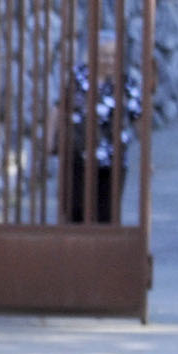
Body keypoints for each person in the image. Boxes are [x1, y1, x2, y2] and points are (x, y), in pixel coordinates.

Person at [59, 35, 139, 225]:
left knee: (107, 214)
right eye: (104, 55)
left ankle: (102, 253)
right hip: (79, 154)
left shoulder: (126, 82)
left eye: (113, 55)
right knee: (75, 210)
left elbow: (138, 116)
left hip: (113, 157)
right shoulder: (78, 76)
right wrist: (51, 141)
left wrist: (147, 156)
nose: (109, 60)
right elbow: (60, 107)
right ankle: (76, 251)